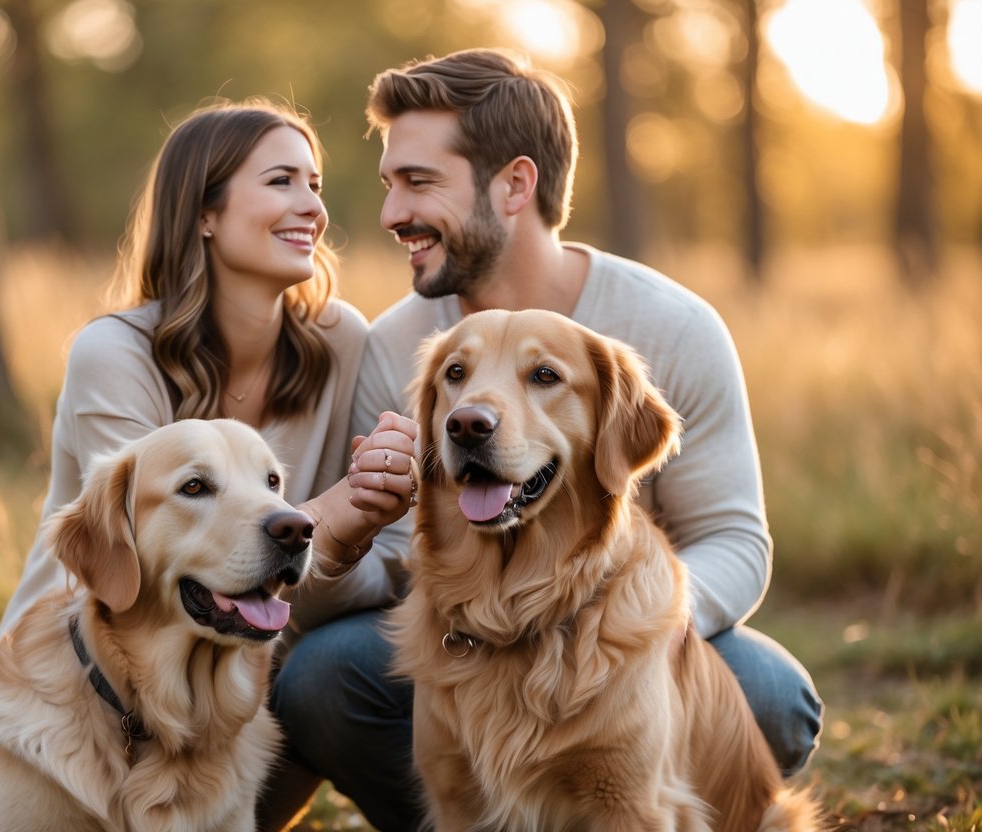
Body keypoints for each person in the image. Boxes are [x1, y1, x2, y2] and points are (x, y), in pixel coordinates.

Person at [266, 49, 823, 831]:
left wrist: (616, 636)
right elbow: (392, 566)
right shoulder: (398, 350)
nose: (391, 213)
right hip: (467, 638)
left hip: (625, 632)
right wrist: (343, 538)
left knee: (769, 694)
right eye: (391, 183)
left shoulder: (672, 328)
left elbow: (732, 538)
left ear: (514, 185)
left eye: (419, 182)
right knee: (320, 679)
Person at [0, 100, 418, 672]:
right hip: (88, 673)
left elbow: (329, 581)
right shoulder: (115, 355)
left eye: (314, 184)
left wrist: (359, 519)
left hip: (249, 678)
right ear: (204, 213)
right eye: (281, 181)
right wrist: (333, 514)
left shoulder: (341, 338)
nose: (314, 208)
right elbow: (135, 586)